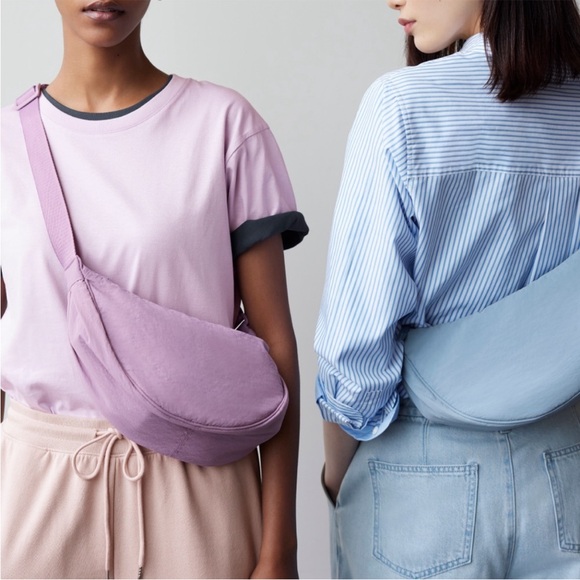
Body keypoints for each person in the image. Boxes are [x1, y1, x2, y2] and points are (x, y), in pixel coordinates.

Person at [1, 1, 308, 578]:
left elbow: (277, 347)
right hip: (35, 495)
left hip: (198, 489)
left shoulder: (224, 125)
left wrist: (279, 549)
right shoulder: (5, 144)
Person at [315, 0, 580, 578]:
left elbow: (353, 356)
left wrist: (336, 478)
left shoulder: (401, 105)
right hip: (568, 469)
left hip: (420, 474)